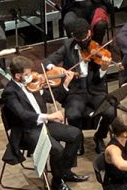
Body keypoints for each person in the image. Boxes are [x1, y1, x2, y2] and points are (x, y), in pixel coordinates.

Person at [1, 55, 86, 190]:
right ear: (17, 76)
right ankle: (57, 181)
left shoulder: (33, 84)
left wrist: (65, 84)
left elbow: (51, 98)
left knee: (75, 134)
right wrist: (49, 116)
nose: (32, 76)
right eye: (27, 74)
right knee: (57, 149)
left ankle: (65, 171)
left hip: (43, 125)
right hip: (27, 131)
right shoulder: (10, 92)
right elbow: (22, 115)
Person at [44, 16, 115, 154]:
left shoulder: (97, 48)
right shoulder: (67, 46)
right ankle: (78, 139)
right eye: (79, 39)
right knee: (73, 114)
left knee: (110, 112)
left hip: (95, 91)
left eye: (85, 37)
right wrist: (56, 68)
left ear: (89, 33)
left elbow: (98, 81)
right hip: (76, 92)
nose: (83, 42)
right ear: (74, 37)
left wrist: (103, 69)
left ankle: (99, 137)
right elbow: (47, 60)